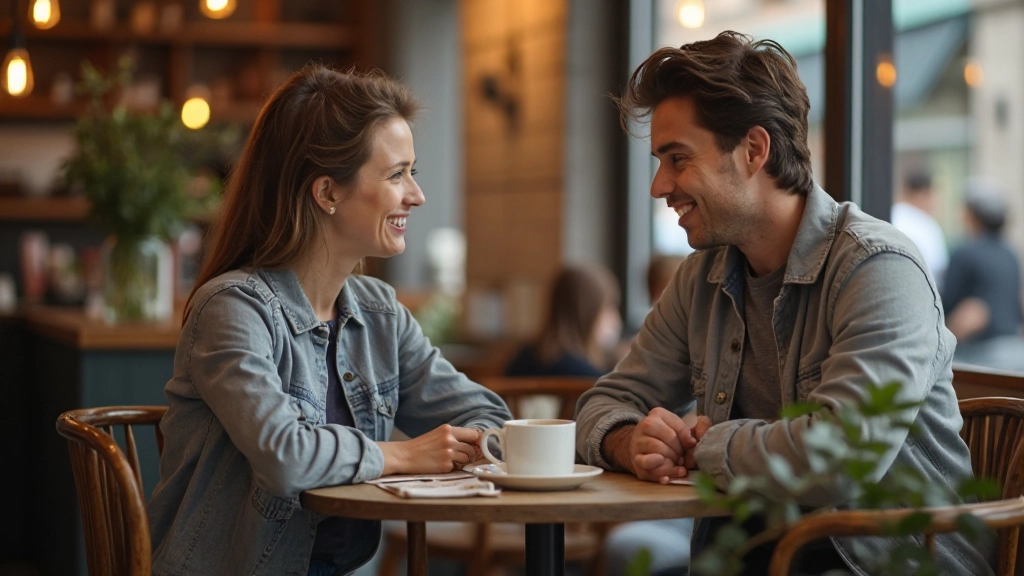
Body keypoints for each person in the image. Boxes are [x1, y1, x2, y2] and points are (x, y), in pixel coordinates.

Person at [574, 31, 990, 576]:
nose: (659, 185)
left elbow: (844, 456)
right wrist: (631, 441)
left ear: (754, 150)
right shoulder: (700, 277)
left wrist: (704, 444)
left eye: (677, 158)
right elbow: (603, 403)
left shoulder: (879, 267)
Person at [147, 66, 512, 576]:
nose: (416, 195)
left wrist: (470, 444)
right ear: (328, 193)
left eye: (413, 172)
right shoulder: (233, 309)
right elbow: (286, 457)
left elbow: (489, 417)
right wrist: (405, 456)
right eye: (396, 175)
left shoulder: (380, 314)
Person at [942, 178, 1024, 371]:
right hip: (1016, 350)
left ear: (972, 216)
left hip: (978, 355)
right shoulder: (1010, 254)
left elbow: (947, 309)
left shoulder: (964, 253)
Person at [505, 263, 622, 379]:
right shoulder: (592, 378)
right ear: (588, 314)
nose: (616, 319)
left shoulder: (521, 359)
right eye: (609, 308)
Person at [890, 169, 948, 286]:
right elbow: (938, 267)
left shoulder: (891, 215)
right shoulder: (927, 225)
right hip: (919, 290)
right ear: (924, 194)